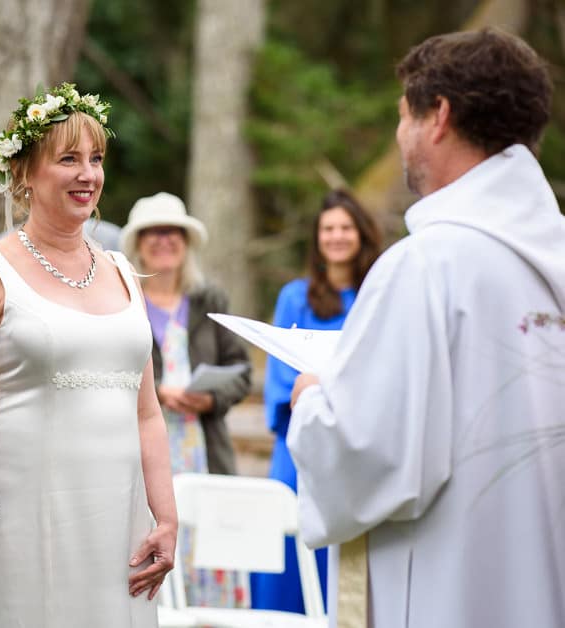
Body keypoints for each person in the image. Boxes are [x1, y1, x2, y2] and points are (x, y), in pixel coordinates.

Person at [287, 28, 565, 627]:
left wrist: (312, 403)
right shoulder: (555, 255)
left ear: (438, 116)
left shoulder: (427, 265)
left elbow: (365, 452)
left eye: (401, 117)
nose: (399, 136)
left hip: (452, 592)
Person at [0, 83, 177, 628]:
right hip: (21, 512)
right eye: (69, 159)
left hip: (117, 520)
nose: (88, 174)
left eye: (96, 159)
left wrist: (166, 515)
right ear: (25, 172)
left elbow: (146, 411)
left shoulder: (124, 271)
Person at [251, 189, 380, 614]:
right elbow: (285, 379)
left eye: (345, 227)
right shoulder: (295, 297)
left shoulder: (376, 296)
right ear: (317, 239)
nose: (337, 236)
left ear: (361, 234)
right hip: (299, 445)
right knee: (288, 552)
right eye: (328, 229)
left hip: (357, 444)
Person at [119, 191, 250, 607]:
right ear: (138, 243)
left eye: (173, 233)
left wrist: (207, 399)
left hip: (203, 447)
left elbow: (241, 371)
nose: (164, 241)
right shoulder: (123, 300)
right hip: (146, 447)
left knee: (210, 549)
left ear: (186, 241)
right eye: (153, 233)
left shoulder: (210, 300)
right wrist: (157, 394)